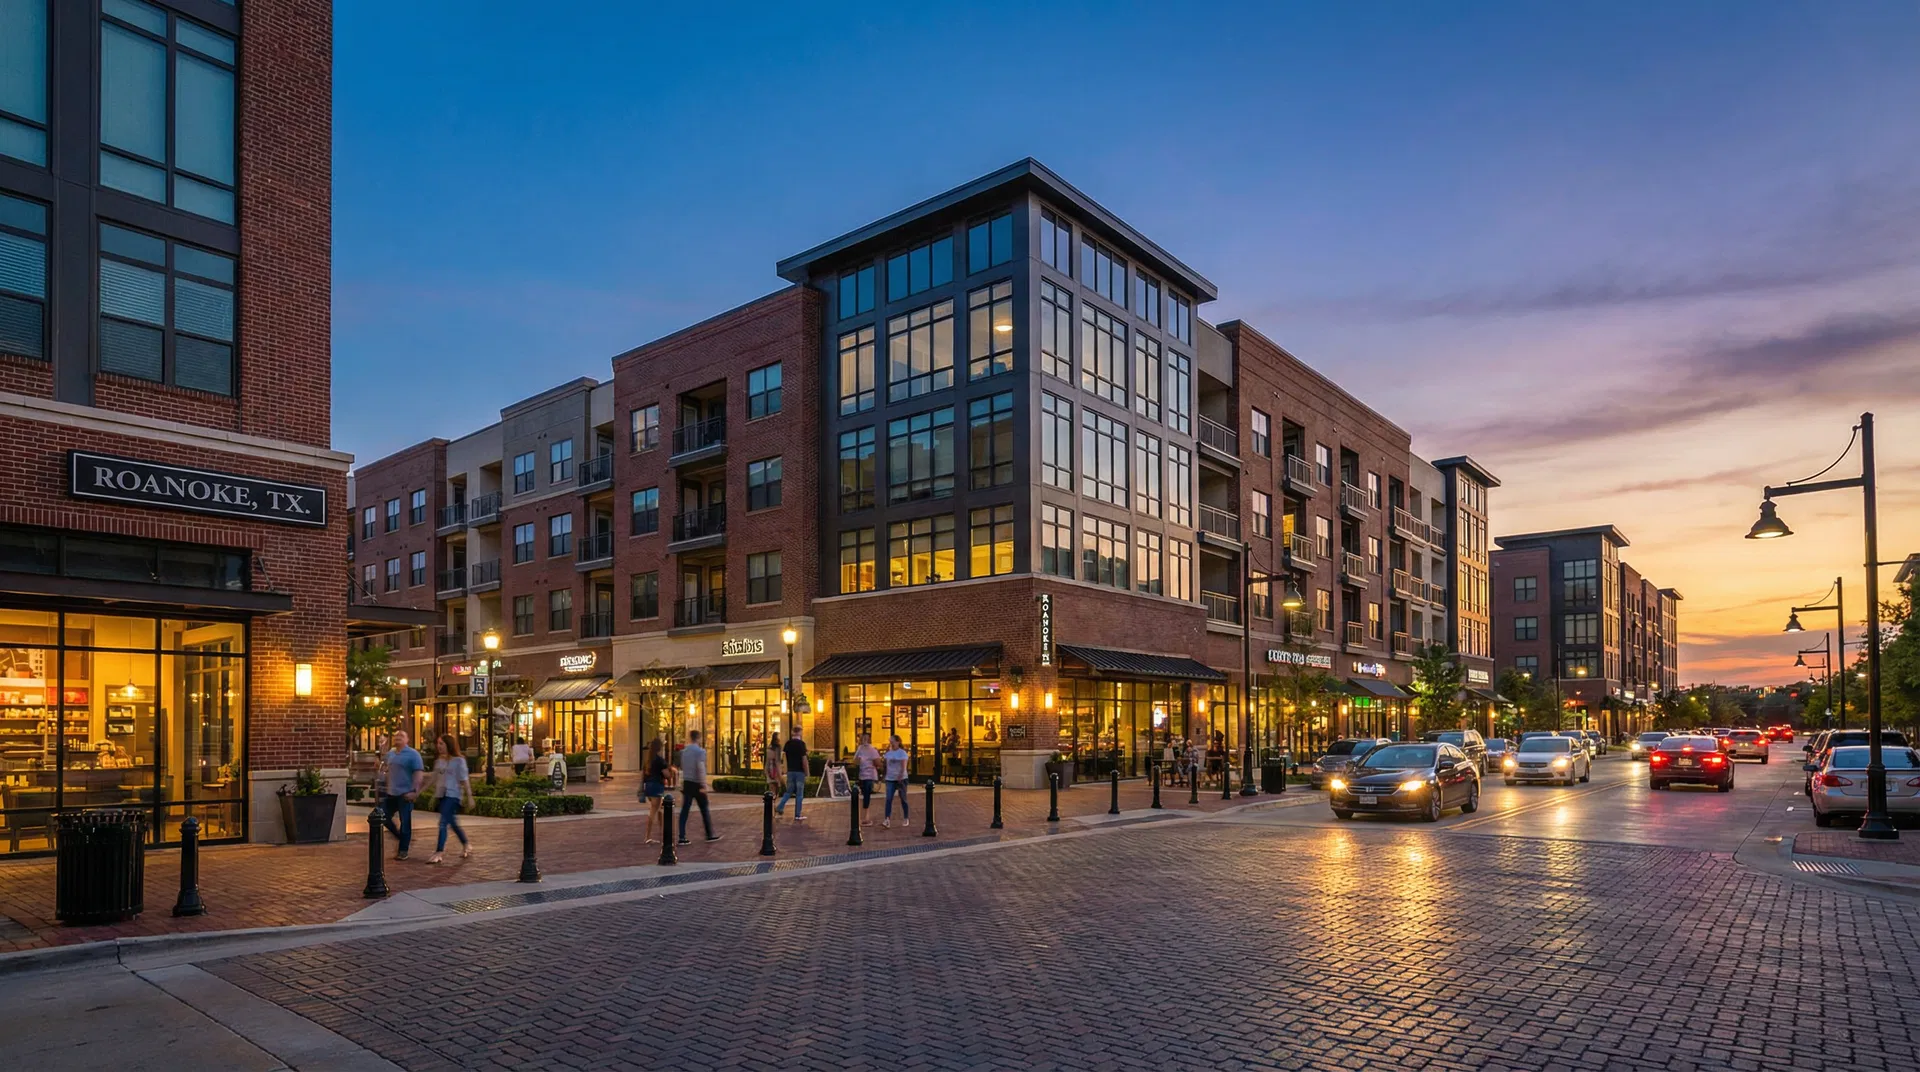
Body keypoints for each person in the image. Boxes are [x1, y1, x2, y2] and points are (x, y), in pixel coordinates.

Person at [427, 733, 473, 864]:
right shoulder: (439, 761)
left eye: (441, 743)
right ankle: (466, 843)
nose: (439, 746)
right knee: (451, 822)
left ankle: (439, 852)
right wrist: (422, 791)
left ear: (449, 745)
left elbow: (464, 779)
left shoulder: (459, 761)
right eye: (438, 744)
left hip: (453, 796)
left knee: (442, 823)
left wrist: (469, 797)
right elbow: (433, 778)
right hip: (442, 795)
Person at [382, 730, 425, 859]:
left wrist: (415, 792)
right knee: (383, 816)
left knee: (405, 822)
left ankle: (403, 850)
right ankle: (401, 837)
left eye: (402, 736)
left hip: (405, 793)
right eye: (396, 736)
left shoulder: (413, 754)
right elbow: (384, 767)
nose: (398, 737)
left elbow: (418, 774)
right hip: (391, 793)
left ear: (407, 740)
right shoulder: (391, 753)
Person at [676, 729, 720, 844]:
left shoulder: (684, 752)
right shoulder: (700, 752)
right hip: (696, 783)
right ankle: (709, 834)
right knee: (704, 808)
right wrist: (704, 785)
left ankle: (681, 836)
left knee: (685, 810)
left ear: (690, 738)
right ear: (698, 738)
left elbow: (682, 768)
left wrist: (681, 782)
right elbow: (700, 768)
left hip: (687, 782)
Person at [640, 737, 668, 844]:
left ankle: (662, 832)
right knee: (654, 810)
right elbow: (667, 775)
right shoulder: (660, 761)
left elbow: (644, 775)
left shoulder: (648, 760)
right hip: (657, 786)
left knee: (659, 809)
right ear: (659, 748)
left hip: (649, 786)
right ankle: (647, 836)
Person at [776, 729, 809, 821]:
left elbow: (784, 758)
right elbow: (804, 760)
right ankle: (797, 814)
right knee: (799, 794)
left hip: (790, 771)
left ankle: (780, 806)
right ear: (799, 733)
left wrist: (785, 770)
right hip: (799, 772)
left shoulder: (788, 744)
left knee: (789, 791)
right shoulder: (801, 744)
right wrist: (807, 772)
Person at [882, 734, 911, 828]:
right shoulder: (888, 753)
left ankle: (906, 818)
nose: (891, 743)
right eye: (890, 742)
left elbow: (903, 765)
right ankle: (887, 819)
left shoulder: (902, 753)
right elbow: (885, 765)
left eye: (893, 741)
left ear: (898, 742)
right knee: (889, 798)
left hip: (901, 779)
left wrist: (900, 775)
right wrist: (884, 775)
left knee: (903, 798)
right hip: (890, 778)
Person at [853, 732, 880, 826]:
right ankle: (863, 817)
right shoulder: (860, 749)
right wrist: (859, 760)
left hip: (869, 775)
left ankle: (866, 818)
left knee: (866, 795)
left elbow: (878, 763)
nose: (864, 740)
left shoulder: (872, 750)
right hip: (862, 775)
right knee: (864, 795)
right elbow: (855, 761)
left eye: (866, 738)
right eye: (862, 738)